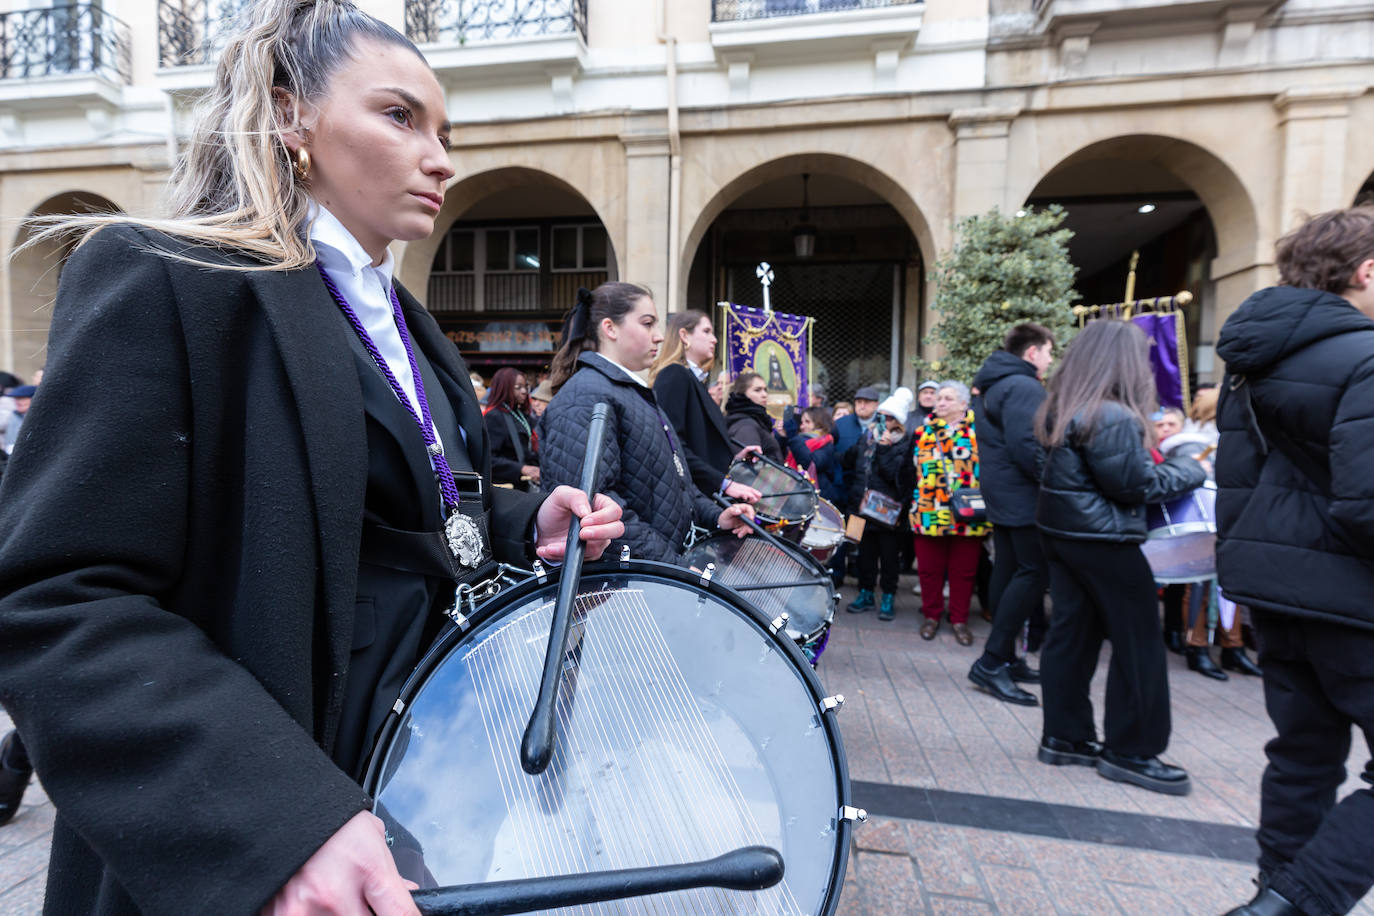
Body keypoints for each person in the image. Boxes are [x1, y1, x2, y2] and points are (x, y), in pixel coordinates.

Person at [0, 3, 626, 913]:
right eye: (401, 116)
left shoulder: (411, 329)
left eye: (445, 130)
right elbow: (55, 599)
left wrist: (529, 522)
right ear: (292, 117)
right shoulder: (168, 278)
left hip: (418, 796)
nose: (441, 156)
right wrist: (277, 817)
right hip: (267, 842)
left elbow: (405, 523)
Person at [1215, 206, 1374, 916]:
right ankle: (1291, 905)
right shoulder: (1366, 355)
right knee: (1304, 758)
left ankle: (1270, 896)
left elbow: (1240, 481)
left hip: (1274, 586)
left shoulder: (1253, 362)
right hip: (1352, 593)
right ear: (1367, 272)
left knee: (1303, 757)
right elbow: (1368, 501)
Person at [1034, 319, 1207, 797]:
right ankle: (1131, 751)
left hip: (1065, 534)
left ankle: (1065, 736)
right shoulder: (1112, 416)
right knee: (1139, 645)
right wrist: (1189, 468)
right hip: (1103, 540)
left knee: (1073, 634)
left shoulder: (1064, 408)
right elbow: (1137, 486)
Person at [542, 284, 753, 564]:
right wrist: (673, 567)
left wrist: (718, 516)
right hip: (626, 586)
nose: (658, 336)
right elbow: (598, 506)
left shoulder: (632, 393)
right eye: (647, 324)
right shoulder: (586, 397)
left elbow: (678, 484)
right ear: (610, 328)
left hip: (656, 573)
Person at [967, 323, 1054, 706]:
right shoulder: (1023, 386)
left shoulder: (997, 383)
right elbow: (1026, 445)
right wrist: (1051, 482)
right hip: (1022, 494)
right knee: (1035, 571)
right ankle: (993, 661)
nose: (1051, 360)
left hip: (1003, 492)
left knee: (1009, 568)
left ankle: (1008, 657)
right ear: (1032, 352)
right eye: (1049, 352)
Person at [649, 310, 760, 504]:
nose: (714, 339)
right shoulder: (674, 374)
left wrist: (734, 457)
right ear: (684, 335)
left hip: (705, 495)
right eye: (706, 331)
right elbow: (672, 445)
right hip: (693, 499)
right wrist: (724, 483)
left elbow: (700, 444)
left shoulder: (692, 379)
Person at [911, 380, 989, 645]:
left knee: (964, 572)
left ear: (964, 404)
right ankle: (932, 616)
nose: (940, 402)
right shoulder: (923, 431)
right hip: (929, 510)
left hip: (969, 512)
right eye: (939, 398)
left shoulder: (981, 432)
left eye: (948, 399)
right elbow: (908, 469)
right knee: (928, 571)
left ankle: (959, 620)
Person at [845, 388, 915, 620]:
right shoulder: (868, 436)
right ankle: (865, 593)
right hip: (861, 508)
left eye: (890, 417)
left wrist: (884, 449)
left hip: (887, 512)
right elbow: (852, 465)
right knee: (864, 555)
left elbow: (895, 476)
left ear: (899, 421)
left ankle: (888, 597)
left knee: (888, 557)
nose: (884, 421)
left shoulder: (904, 443)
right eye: (882, 416)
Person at [482, 367, 540, 490]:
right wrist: (522, 469)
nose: (524, 391)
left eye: (525, 387)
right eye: (518, 387)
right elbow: (488, 459)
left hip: (522, 485)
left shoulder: (520, 414)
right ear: (504, 387)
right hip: (505, 487)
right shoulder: (493, 416)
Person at [785, 406, 844, 507]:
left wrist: (793, 437)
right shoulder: (800, 440)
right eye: (802, 422)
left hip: (816, 499)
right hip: (795, 494)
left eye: (807, 422)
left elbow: (810, 464)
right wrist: (782, 437)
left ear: (819, 424)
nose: (802, 427)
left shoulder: (826, 444)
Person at [724, 371, 785, 463]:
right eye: (757, 390)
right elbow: (748, 469)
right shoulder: (746, 426)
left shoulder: (756, 421)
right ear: (742, 394)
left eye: (765, 390)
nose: (764, 395)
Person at [1, 384, 34, 454]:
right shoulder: (13, 415)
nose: (19, 402)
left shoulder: (37, 418)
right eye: (17, 399)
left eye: (23, 398)